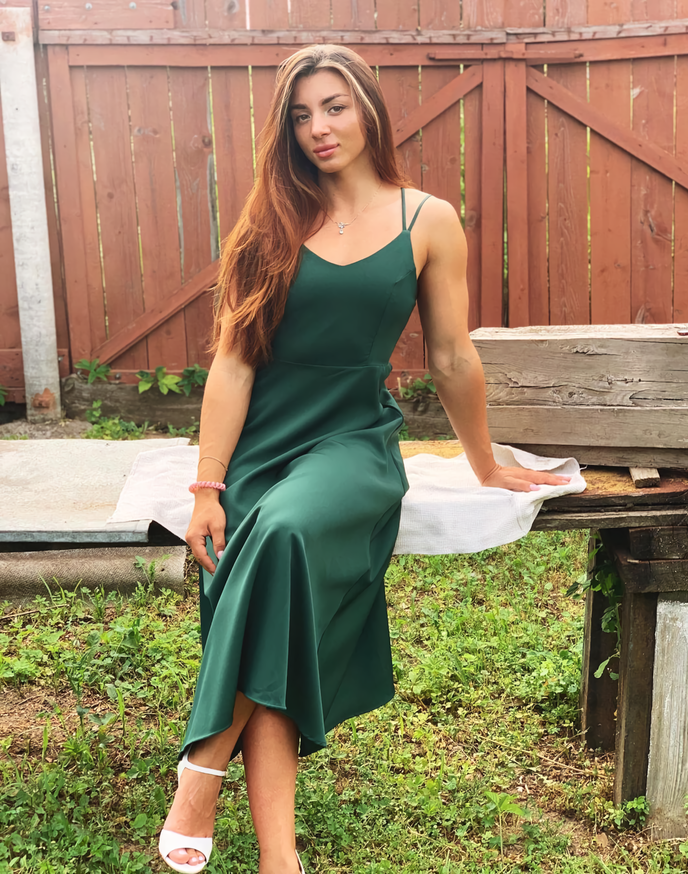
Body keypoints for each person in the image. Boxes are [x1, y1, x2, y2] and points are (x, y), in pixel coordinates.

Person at [157, 43, 569, 874]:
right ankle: (281, 859)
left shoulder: (428, 220)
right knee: (282, 606)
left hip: (351, 443)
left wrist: (485, 462)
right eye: (301, 115)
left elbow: (450, 356)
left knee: (284, 533)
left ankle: (201, 767)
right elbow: (233, 363)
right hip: (263, 447)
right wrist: (208, 484)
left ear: (370, 111)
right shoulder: (267, 222)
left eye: (335, 107)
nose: (319, 127)